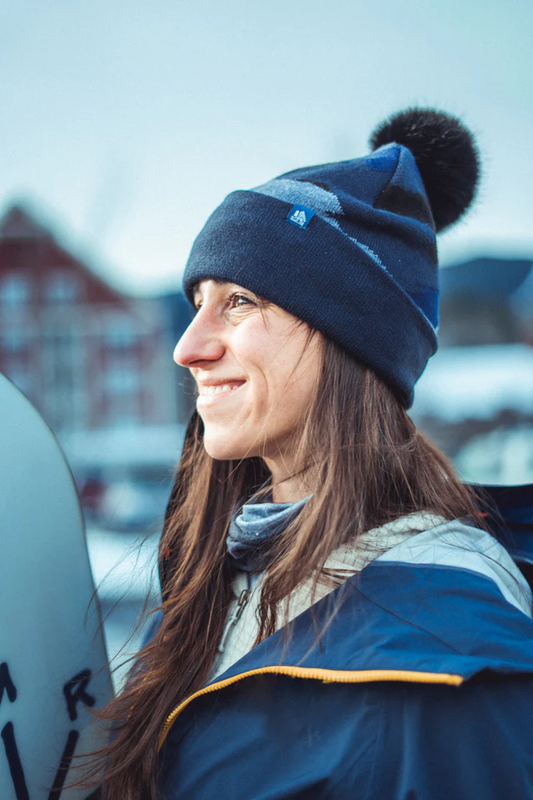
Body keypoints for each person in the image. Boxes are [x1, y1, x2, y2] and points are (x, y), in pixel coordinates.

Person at [89, 108, 533, 799]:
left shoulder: (448, 665)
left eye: (237, 301)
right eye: (197, 302)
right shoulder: (216, 582)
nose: (188, 347)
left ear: (347, 336)